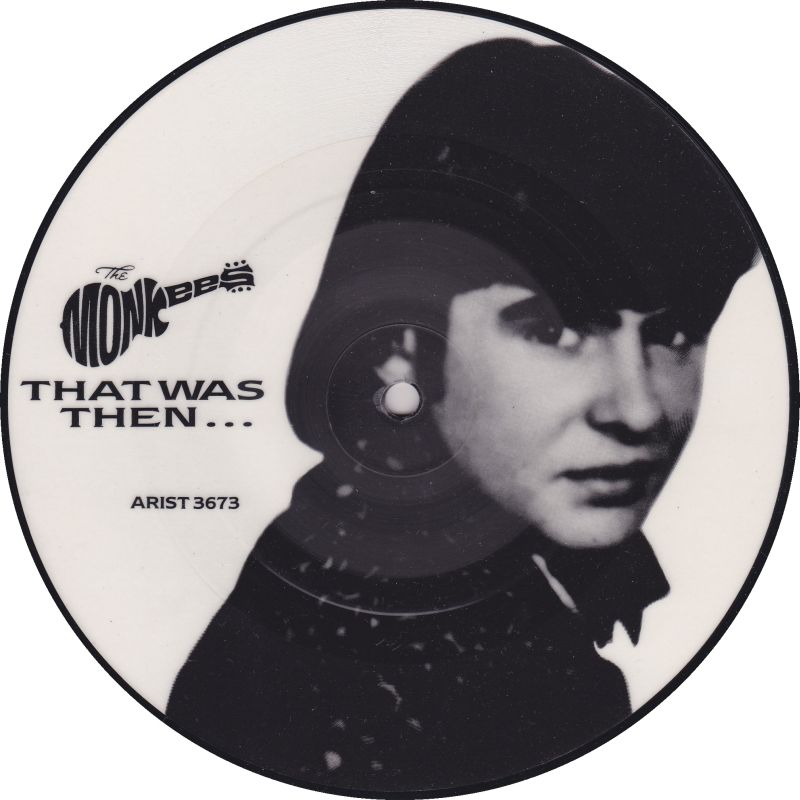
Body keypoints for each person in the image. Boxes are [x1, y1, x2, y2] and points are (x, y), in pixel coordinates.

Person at [166, 38, 757, 793]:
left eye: (674, 334)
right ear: (403, 349)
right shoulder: (363, 675)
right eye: (553, 330)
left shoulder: (395, 575)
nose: (638, 409)